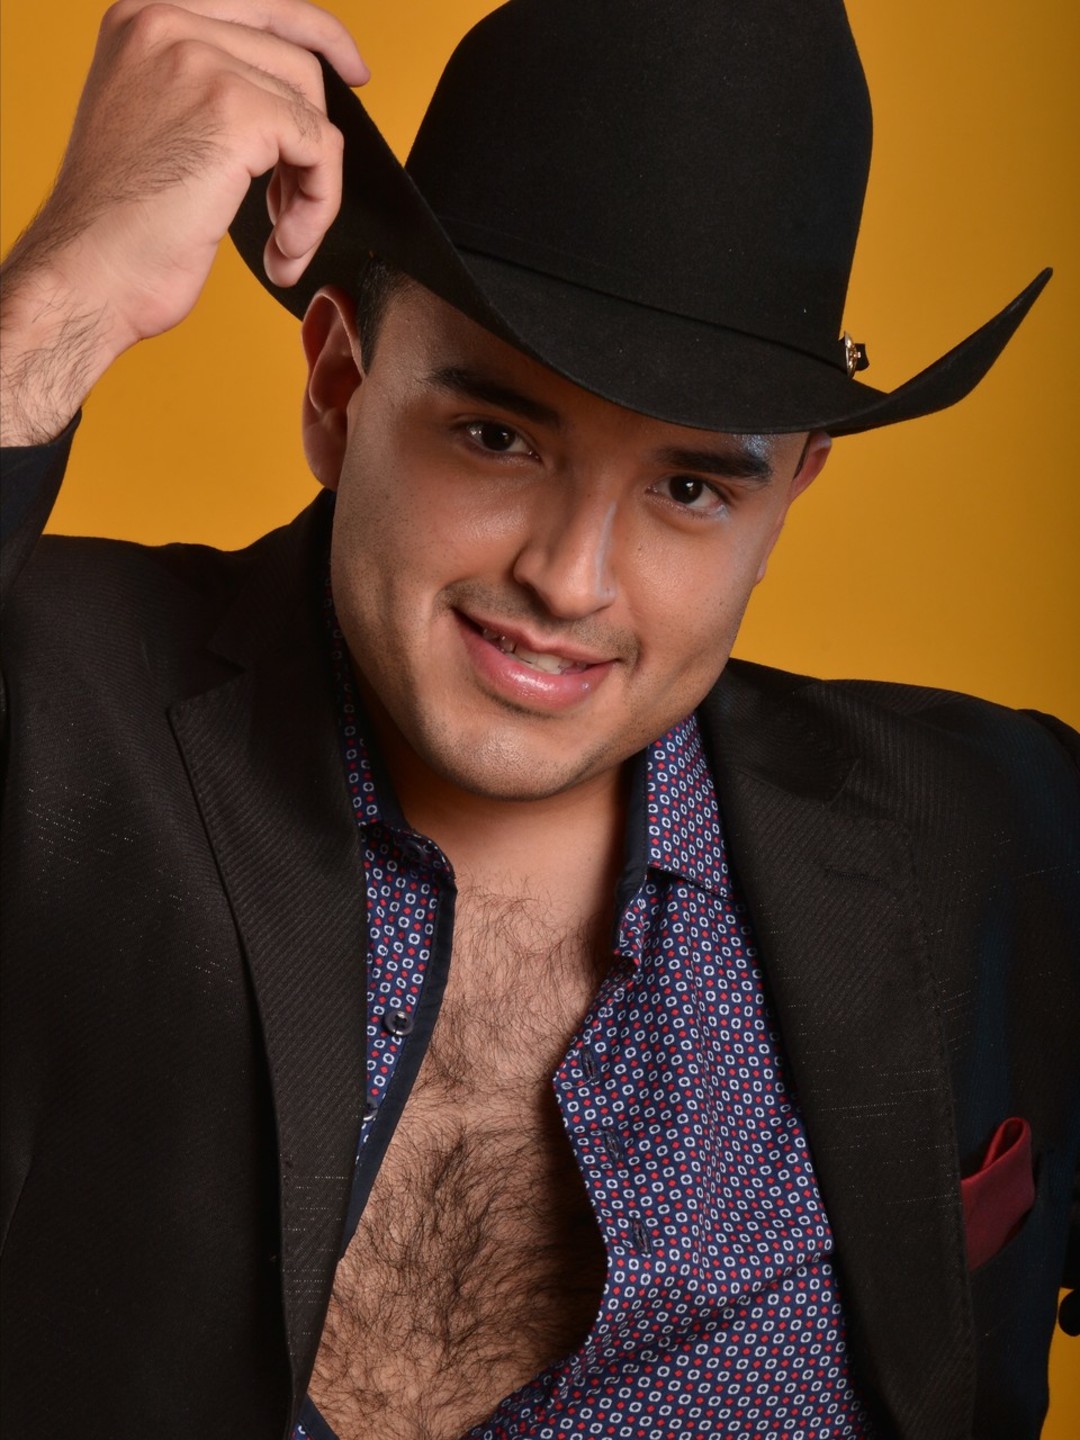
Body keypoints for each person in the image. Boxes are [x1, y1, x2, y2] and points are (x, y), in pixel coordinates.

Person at [1, 1, 1077, 1438]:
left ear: (789, 499)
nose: (569, 580)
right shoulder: (46, 704)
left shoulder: (998, 840)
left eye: (689, 488)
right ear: (339, 386)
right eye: (496, 436)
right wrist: (48, 317)